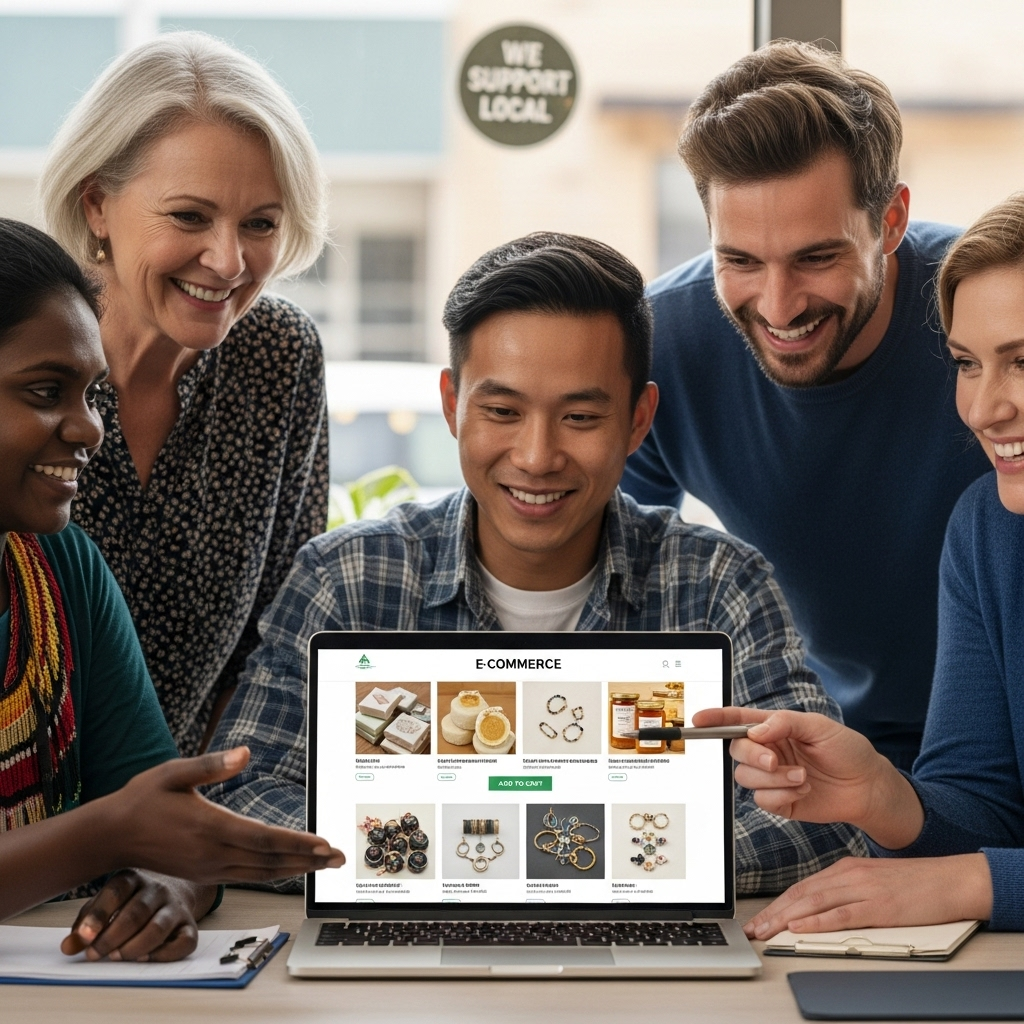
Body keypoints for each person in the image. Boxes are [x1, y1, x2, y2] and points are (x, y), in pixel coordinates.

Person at [206, 231, 865, 895]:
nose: (536, 456)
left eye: (580, 416)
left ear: (638, 422)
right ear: (452, 406)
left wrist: (534, 866)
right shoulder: (347, 579)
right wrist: (532, 865)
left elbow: (822, 814)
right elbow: (240, 791)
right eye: (501, 411)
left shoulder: (720, 587)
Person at [620, 41, 991, 771]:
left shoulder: (988, 313)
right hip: (829, 756)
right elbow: (612, 585)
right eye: (741, 261)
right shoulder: (663, 344)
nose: (779, 305)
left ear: (890, 222)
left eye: (816, 258)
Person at [0, 218, 343, 960]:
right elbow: (131, 818)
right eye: (44, 390)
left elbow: (165, 817)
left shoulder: (64, 570)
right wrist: (110, 832)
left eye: (91, 393)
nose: (89, 428)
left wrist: (166, 883)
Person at [695, 193, 1024, 936]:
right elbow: (984, 807)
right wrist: (878, 793)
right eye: (969, 365)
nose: (984, 409)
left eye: (1023, 362)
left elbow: (978, 866)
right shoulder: (986, 528)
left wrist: (980, 884)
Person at [37, 32, 330, 757]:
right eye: (190, 216)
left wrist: (199, 824)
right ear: (97, 204)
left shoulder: (278, 358)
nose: (230, 261)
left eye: (260, 223)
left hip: (177, 840)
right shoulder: (18, 345)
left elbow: (276, 645)